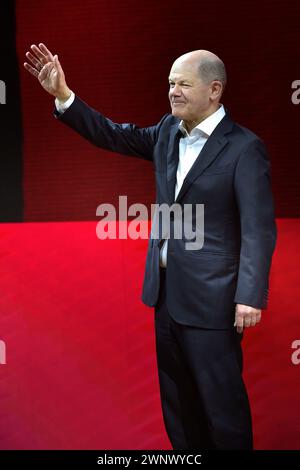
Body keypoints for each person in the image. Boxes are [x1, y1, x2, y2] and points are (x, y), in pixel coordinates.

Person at [24, 44, 277, 449]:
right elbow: (112, 135)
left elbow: (259, 228)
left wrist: (249, 295)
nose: (173, 92)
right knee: (179, 411)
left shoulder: (245, 148)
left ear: (215, 90)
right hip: (165, 296)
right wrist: (63, 97)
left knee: (221, 409)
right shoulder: (165, 132)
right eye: (170, 84)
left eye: (183, 84)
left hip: (214, 300)